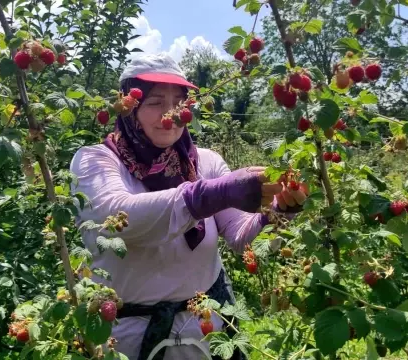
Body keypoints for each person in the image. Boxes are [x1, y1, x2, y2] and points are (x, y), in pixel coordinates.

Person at [69, 53, 308, 360]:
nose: (169, 113)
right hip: (128, 337)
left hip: (206, 328)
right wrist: (210, 195)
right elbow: (116, 217)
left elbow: (240, 237)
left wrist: (278, 210)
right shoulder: (96, 159)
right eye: (155, 102)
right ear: (129, 108)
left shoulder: (205, 162)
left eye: (179, 102)